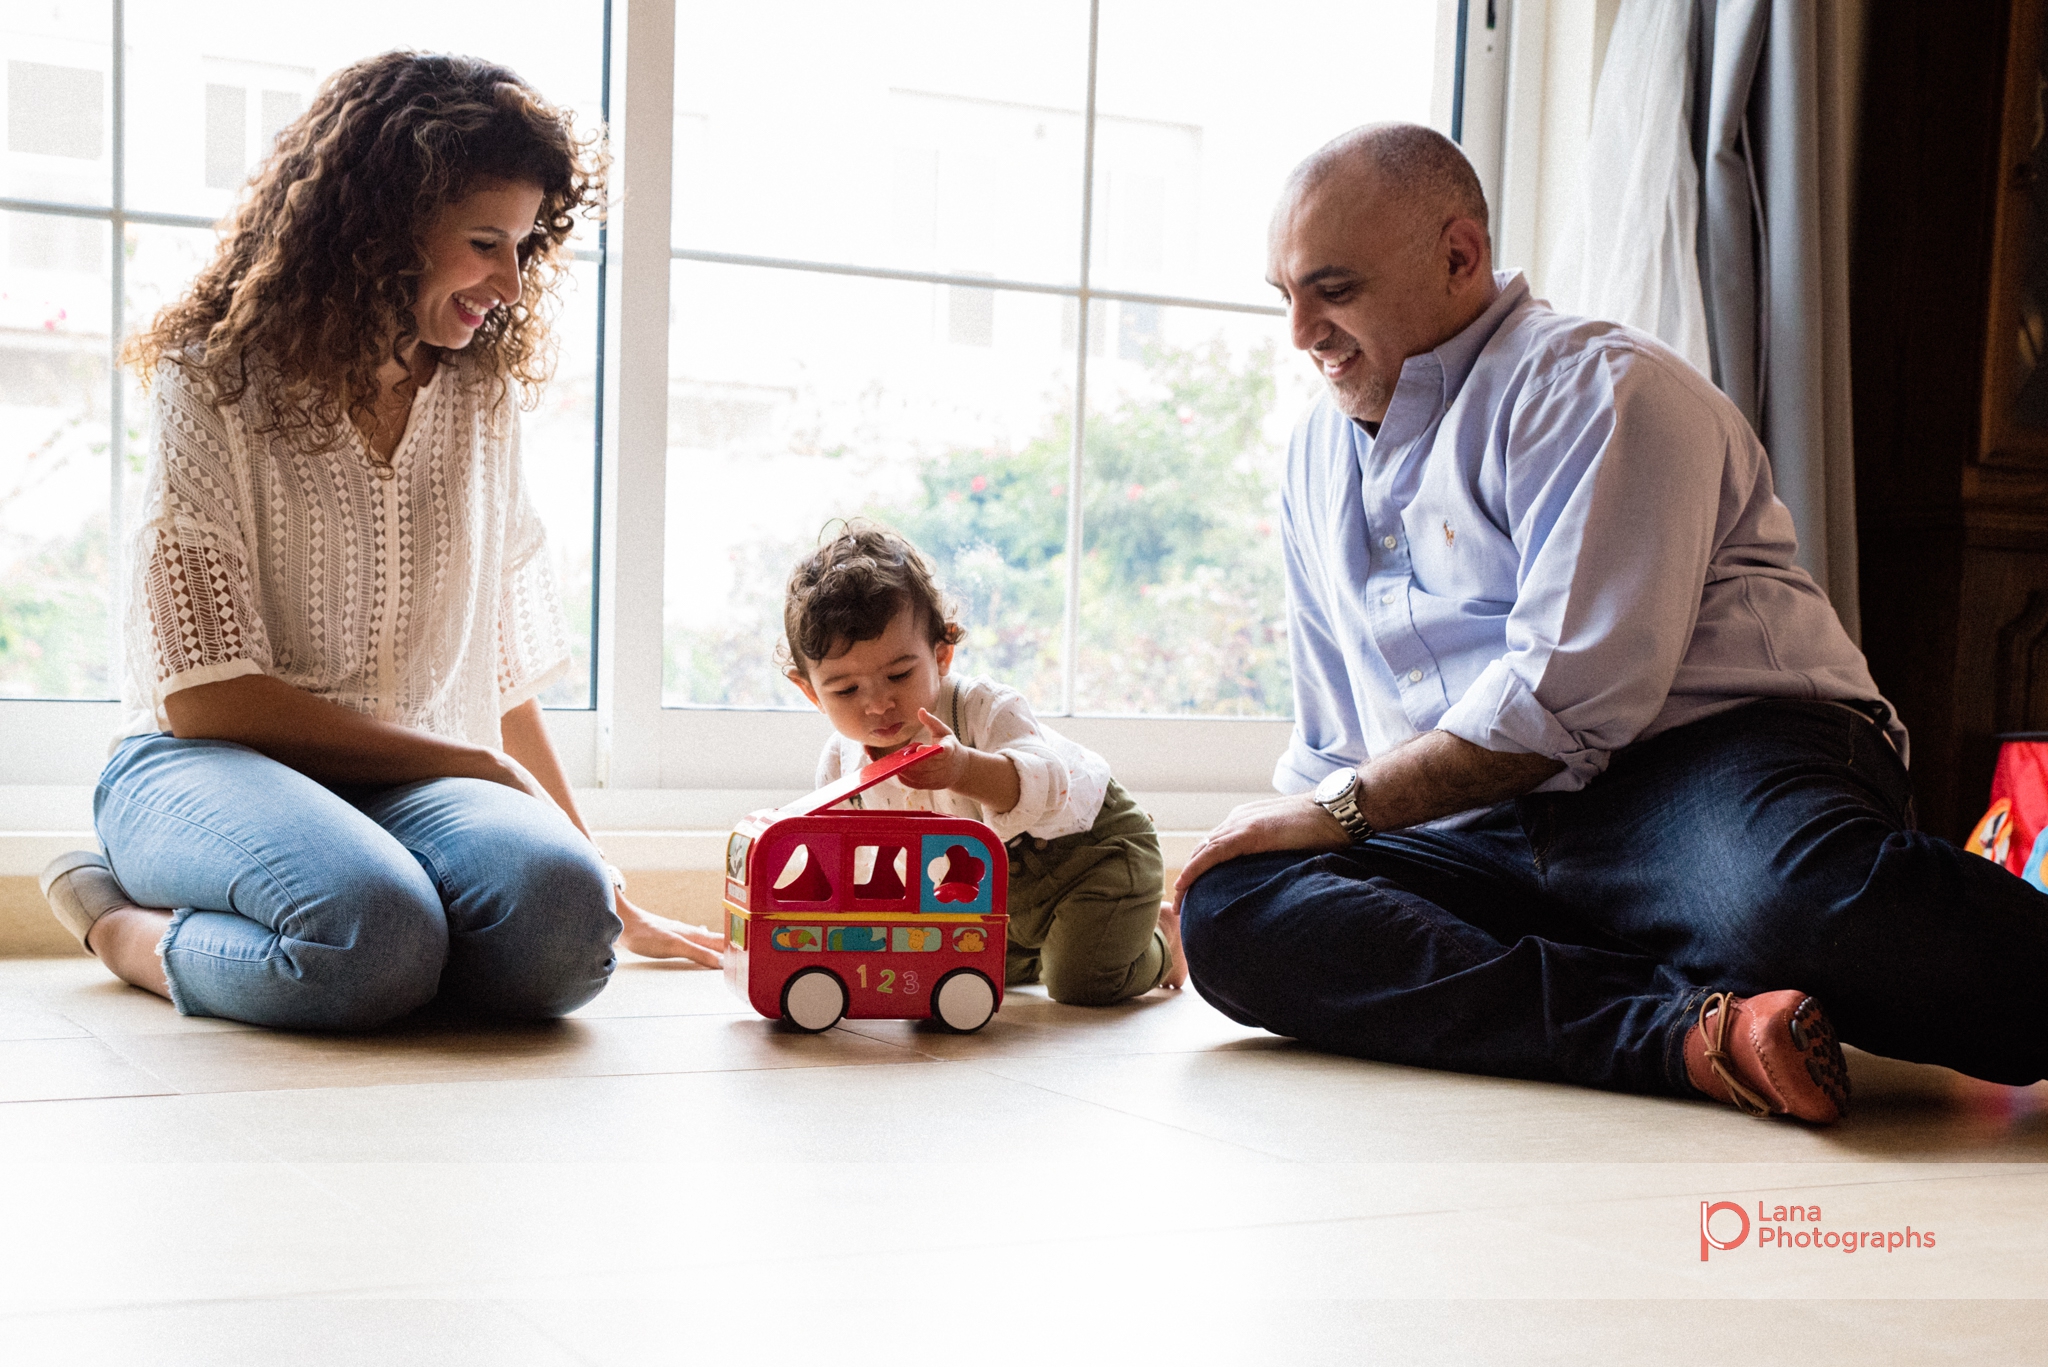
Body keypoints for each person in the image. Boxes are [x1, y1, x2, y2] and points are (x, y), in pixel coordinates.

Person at [1172, 122, 2048, 1123]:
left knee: (1797, 910)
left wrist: (1338, 813)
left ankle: (1687, 955)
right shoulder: (1311, 459)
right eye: (1283, 297)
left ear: (1458, 255)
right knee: (1232, 913)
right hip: (1478, 822)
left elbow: (1564, 701)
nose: (1299, 333)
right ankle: (1682, 1033)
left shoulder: (1599, 387)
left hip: (1707, 765)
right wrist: (1277, 842)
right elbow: (1335, 735)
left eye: (1332, 290)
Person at [36, 50, 722, 1031]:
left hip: (416, 784)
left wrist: (595, 872)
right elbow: (205, 695)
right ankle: (118, 921)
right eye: (486, 242)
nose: (513, 284)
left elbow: (497, 670)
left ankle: (394, 927)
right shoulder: (212, 376)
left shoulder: (478, 395)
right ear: (384, 227)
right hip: (199, 768)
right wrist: (475, 767)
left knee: (564, 939)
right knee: (371, 938)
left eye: (526, 246)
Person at [781, 524, 1187, 1006]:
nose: (877, 704)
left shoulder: (984, 707)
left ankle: (1162, 941)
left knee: (1081, 984)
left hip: (1089, 853)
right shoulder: (840, 766)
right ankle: (1072, 941)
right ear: (809, 691)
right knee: (959, 962)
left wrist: (964, 770)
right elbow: (851, 866)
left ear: (942, 654)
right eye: (846, 690)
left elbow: (1048, 781)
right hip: (989, 886)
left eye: (899, 674)